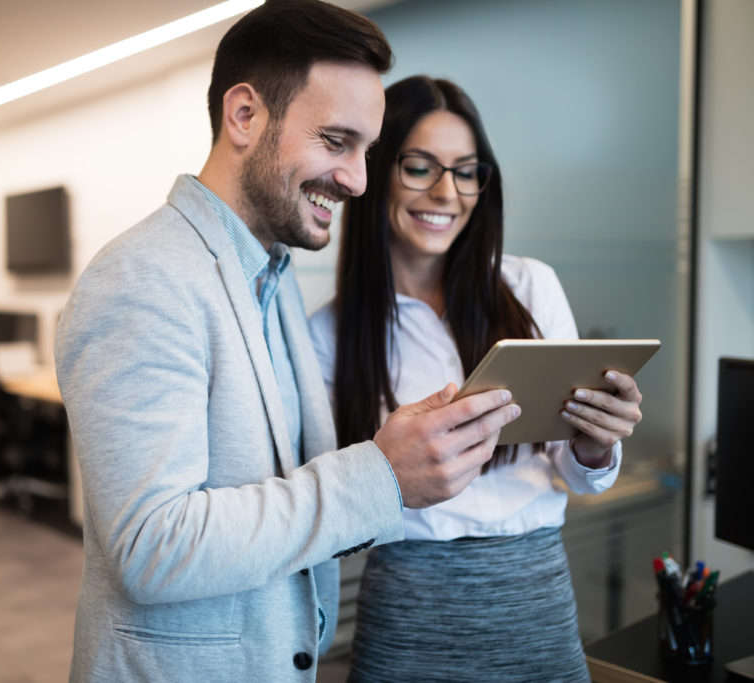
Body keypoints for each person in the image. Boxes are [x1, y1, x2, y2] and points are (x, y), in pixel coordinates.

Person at [55, 4, 522, 680]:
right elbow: (153, 546)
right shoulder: (143, 279)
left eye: (366, 149)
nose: (359, 179)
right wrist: (380, 474)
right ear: (243, 115)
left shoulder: (269, 277)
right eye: (336, 141)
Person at [308, 75, 646, 681]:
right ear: (376, 170)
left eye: (467, 171)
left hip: (534, 598)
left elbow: (575, 476)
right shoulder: (328, 334)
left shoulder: (530, 286)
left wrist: (596, 447)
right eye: (420, 167)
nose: (447, 192)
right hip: (408, 610)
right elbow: (332, 511)